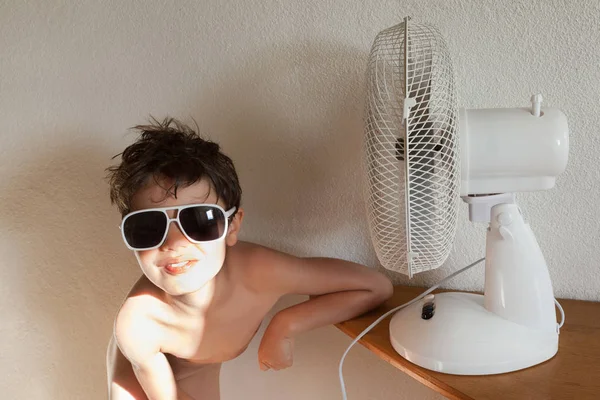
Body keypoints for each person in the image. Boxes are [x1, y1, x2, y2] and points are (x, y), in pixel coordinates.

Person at [105, 118, 393, 400]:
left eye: (199, 220)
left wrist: (286, 325)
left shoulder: (259, 272)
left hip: (196, 366)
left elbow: (375, 287)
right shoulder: (138, 326)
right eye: (147, 227)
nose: (174, 243)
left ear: (233, 226)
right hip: (149, 372)